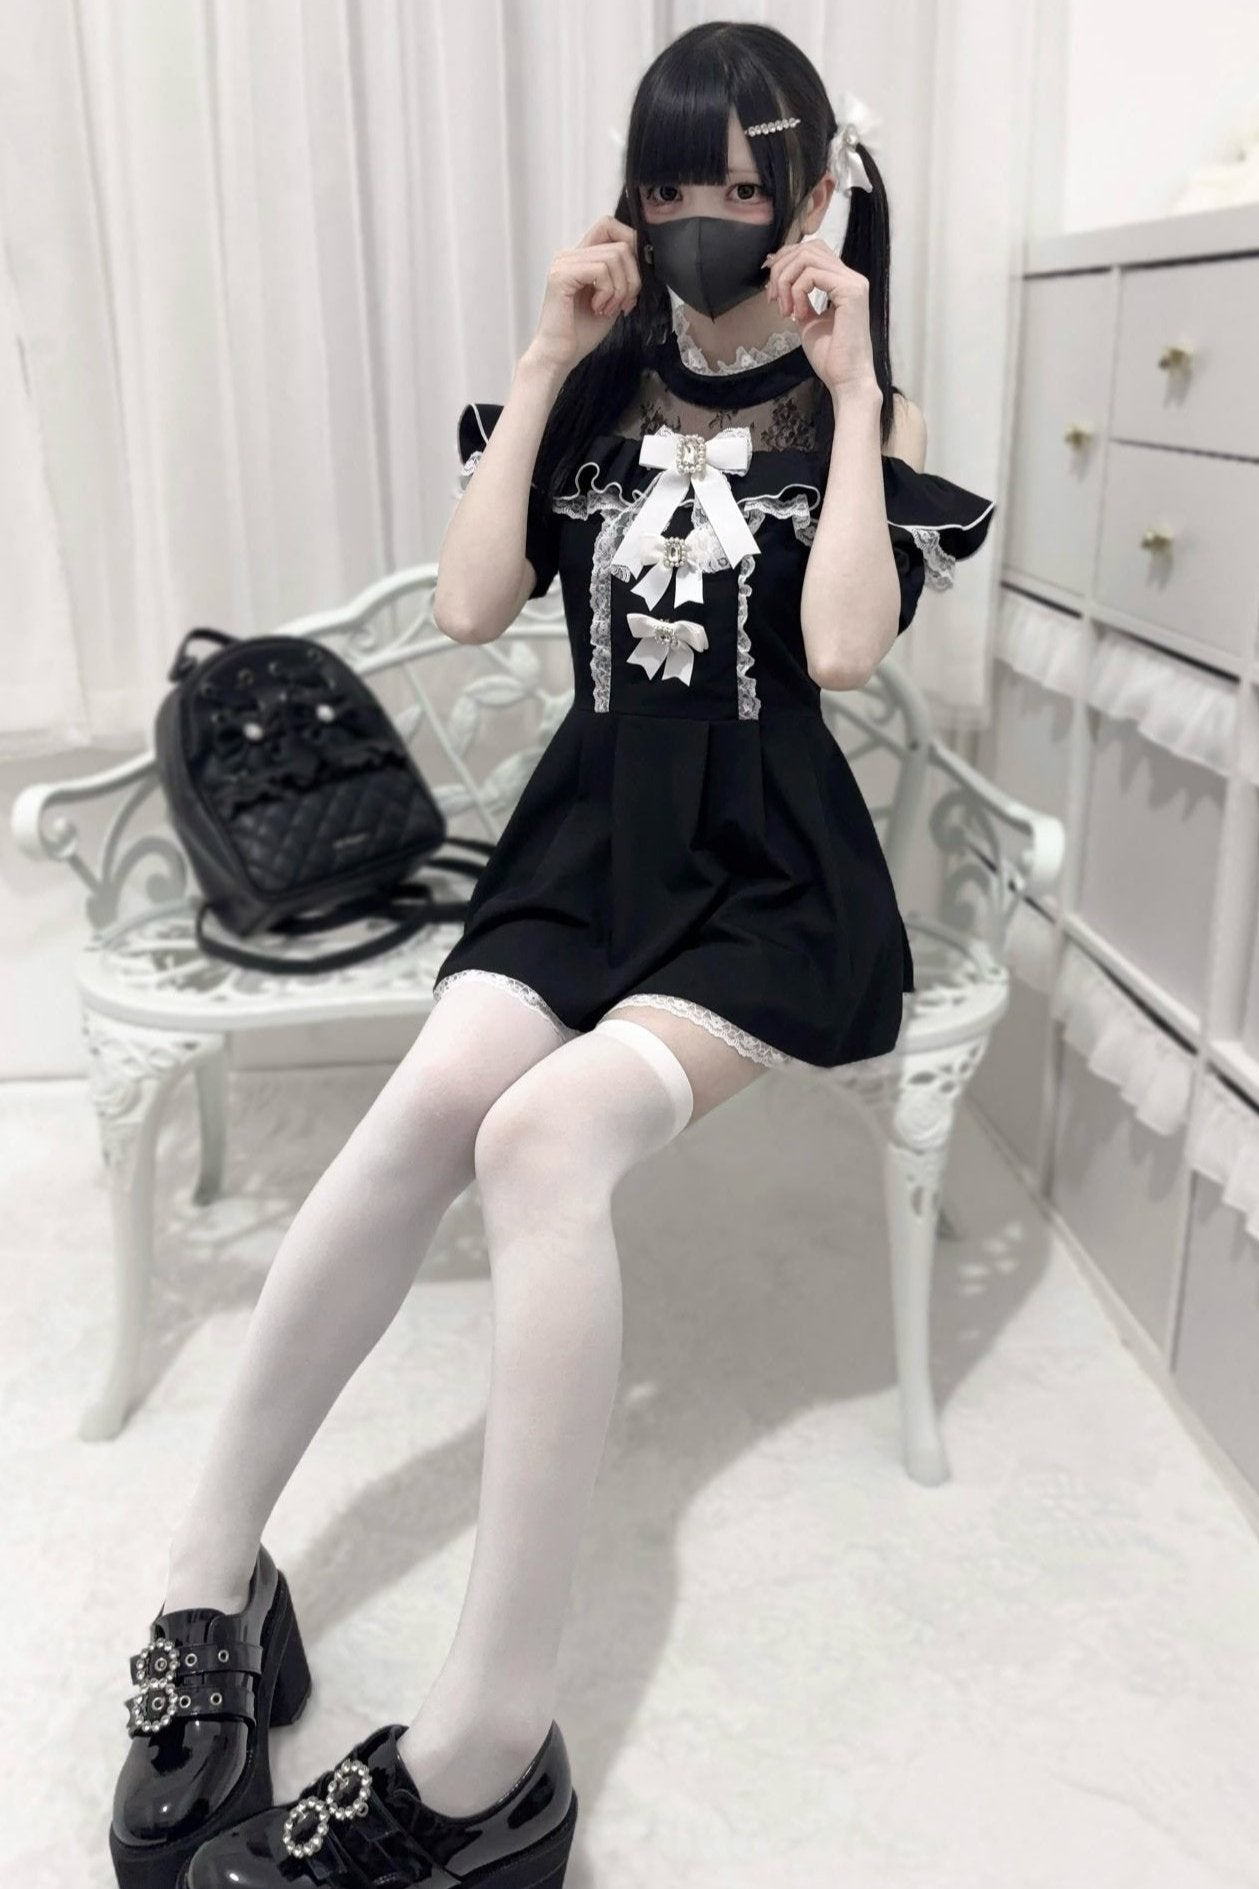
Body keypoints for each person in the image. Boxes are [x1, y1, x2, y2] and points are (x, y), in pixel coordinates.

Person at [109, 22, 995, 1889]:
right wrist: (540, 360)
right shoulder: (591, 394)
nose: (702, 220)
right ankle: (209, 1582)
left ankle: (486, 1750)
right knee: (432, 1097)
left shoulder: (872, 420)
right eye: (672, 185)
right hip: (586, 850)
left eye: (743, 188)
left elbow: (843, 649)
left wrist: (849, 391)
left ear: (815, 201)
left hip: (765, 881)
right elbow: (466, 602)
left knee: (542, 1139)